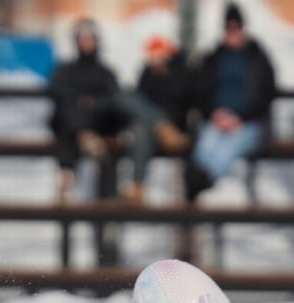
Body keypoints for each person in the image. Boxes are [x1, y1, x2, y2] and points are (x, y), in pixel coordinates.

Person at [184, 2, 277, 202]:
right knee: (206, 145)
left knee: (228, 148)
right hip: (216, 118)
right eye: (228, 29)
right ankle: (197, 183)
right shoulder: (213, 58)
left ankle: (204, 182)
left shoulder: (257, 58)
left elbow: (266, 95)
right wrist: (214, 113)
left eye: (236, 28)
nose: (232, 34)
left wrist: (240, 117)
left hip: (249, 122)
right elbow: (201, 92)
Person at [48, 18, 130, 203]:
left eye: (90, 39)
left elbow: (114, 98)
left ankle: (68, 173)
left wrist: (93, 103)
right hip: (70, 126)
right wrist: (79, 102)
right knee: (69, 112)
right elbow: (57, 92)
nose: (87, 43)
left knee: (72, 120)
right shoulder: (66, 70)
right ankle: (82, 139)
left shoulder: (105, 72)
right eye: (83, 39)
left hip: (100, 125)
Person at [115, 35, 192, 204]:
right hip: (156, 129)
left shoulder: (180, 71)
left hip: (175, 124)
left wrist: (165, 74)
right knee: (126, 101)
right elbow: (141, 99)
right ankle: (161, 126)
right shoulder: (147, 72)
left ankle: (137, 184)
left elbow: (183, 100)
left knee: (141, 129)